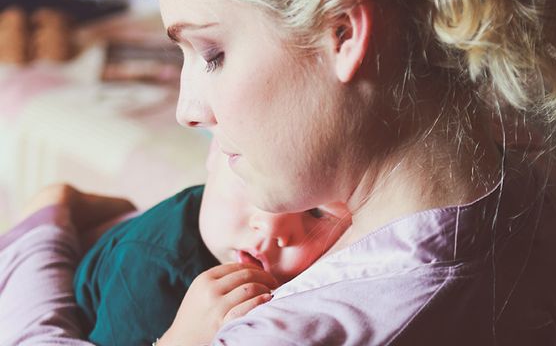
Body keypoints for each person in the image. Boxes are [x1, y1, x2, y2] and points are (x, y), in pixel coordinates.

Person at [0, 0, 556, 345]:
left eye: (211, 52)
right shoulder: (540, 192)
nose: (188, 109)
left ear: (344, 34)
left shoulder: (293, 330)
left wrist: (37, 230)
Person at [73, 138, 350, 346]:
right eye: (250, 183)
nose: (269, 225)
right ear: (214, 153)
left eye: (315, 211)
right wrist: (185, 338)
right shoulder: (148, 268)